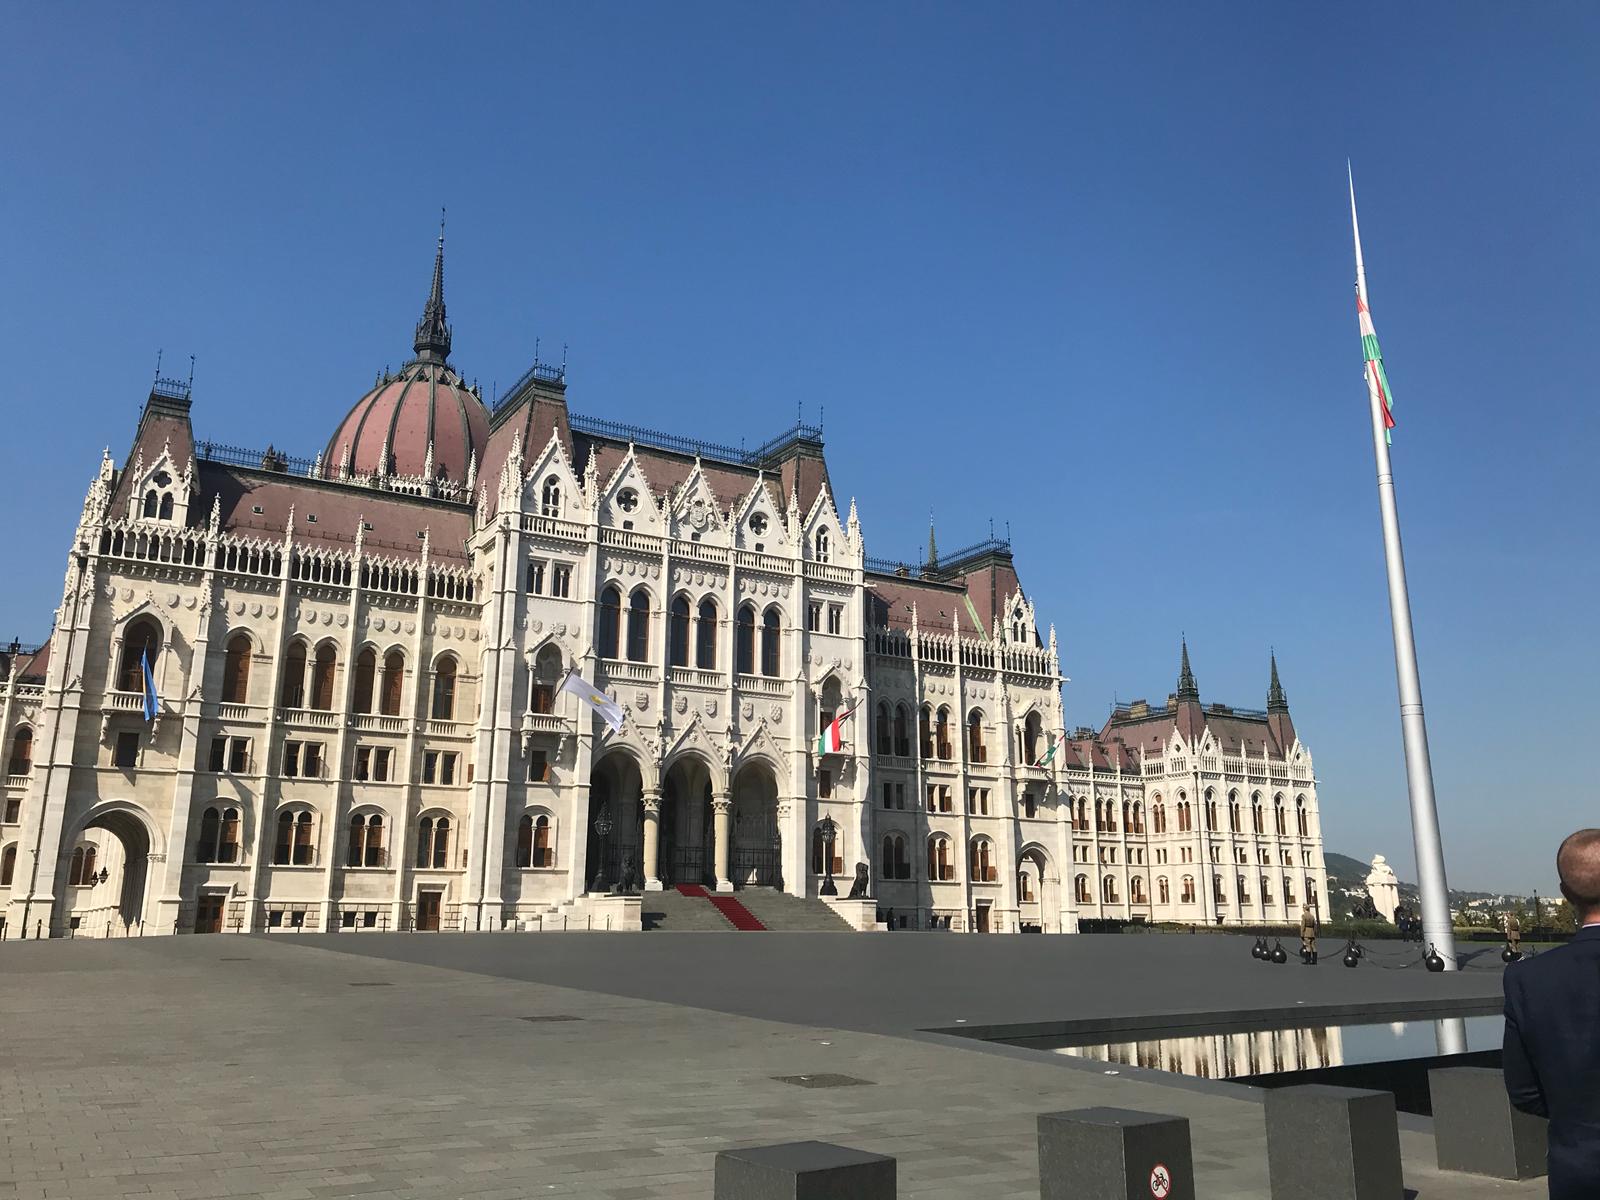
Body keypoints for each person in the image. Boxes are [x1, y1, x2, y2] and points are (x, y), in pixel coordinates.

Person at [1504, 828, 1600, 1199]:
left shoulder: (1527, 979)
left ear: (1564, 893)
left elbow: (1524, 1091)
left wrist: (1575, 1118)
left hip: (1577, 1169)